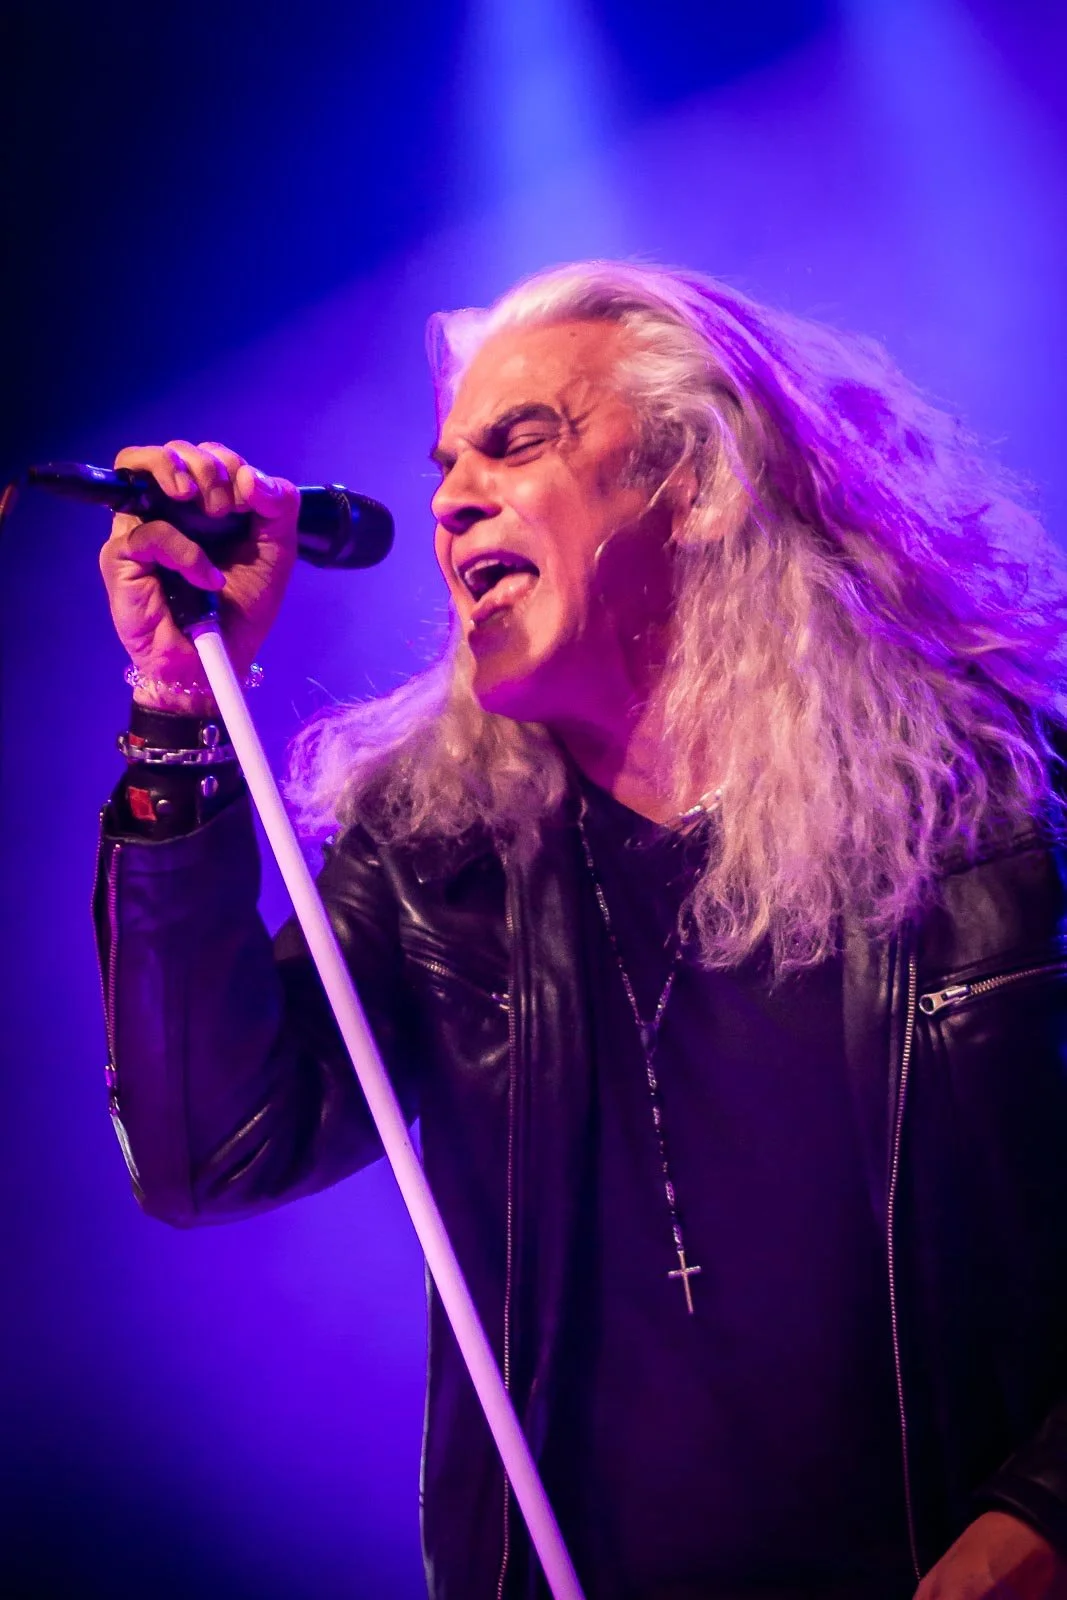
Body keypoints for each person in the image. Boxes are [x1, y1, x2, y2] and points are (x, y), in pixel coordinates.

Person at [94, 261, 1067, 1600]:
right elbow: (211, 1153)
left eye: (517, 442)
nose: (449, 499)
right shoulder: (439, 857)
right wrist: (178, 703)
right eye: (445, 465)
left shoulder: (994, 813)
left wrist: (1038, 1526)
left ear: (701, 481)